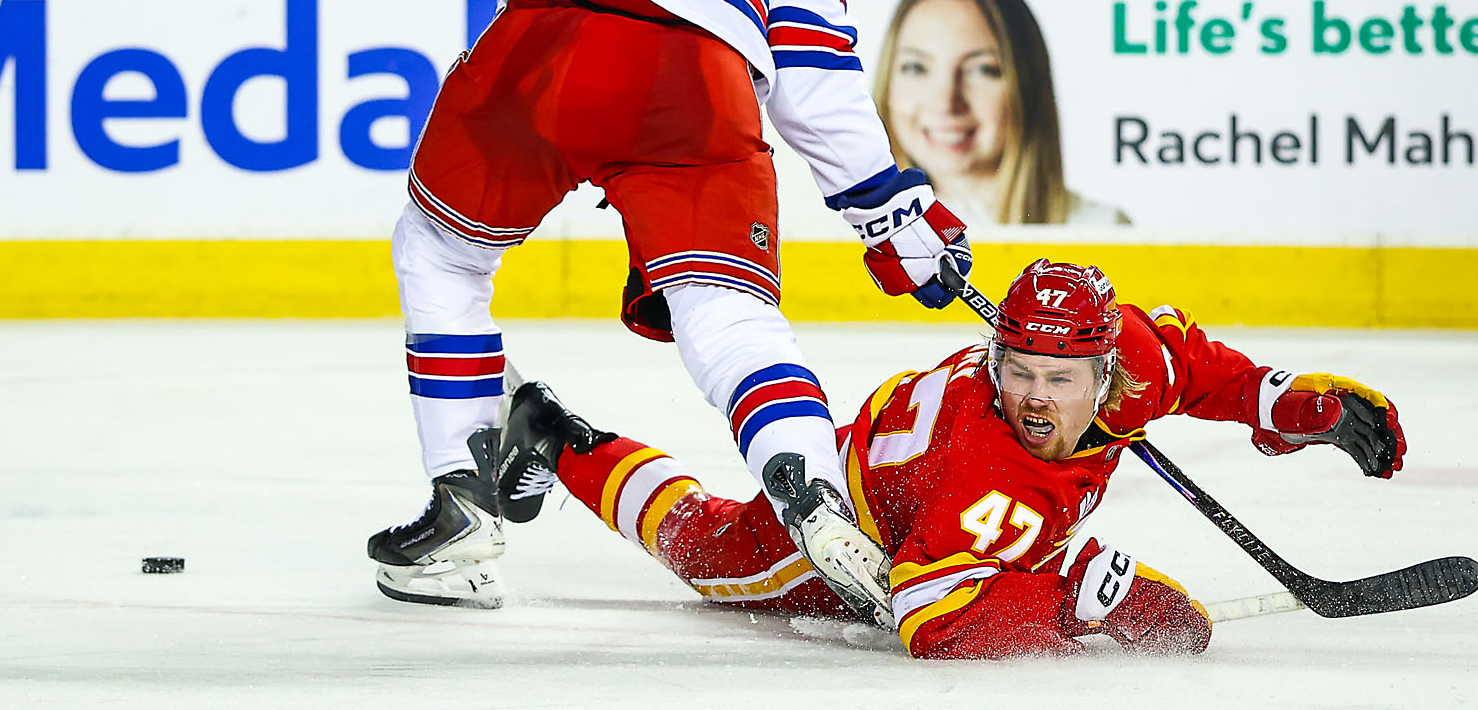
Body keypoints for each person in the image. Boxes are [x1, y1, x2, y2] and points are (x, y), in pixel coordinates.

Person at [188, 0, 976, 623]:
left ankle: (461, 506)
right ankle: (807, 478)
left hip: (548, 38)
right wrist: (887, 209)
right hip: (701, 73)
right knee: (728, 310)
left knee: (441, 253)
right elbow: (812, 67)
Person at [494, 258, 1407, 658]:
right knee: (707, 546)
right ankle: (558, 436)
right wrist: (1086, 602)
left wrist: (1309, 408)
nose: (1035, 397)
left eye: (1060, 377)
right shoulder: (987, 469)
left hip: (953, 501)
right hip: (862, 513)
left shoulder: (1138, 358)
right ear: (996, 358)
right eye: (1018, 371)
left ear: (1109, 369)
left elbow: (1213, 374)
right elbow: (931, 619)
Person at [873, 0, 1128, 226]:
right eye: (915, 67)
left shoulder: (1100, 229)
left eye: (983, 70)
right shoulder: (848, 231)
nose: (945, 102)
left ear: (1026, 84)